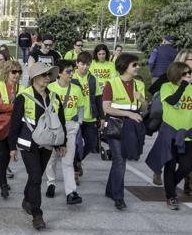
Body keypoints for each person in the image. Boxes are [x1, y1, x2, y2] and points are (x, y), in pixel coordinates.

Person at [8, 62, 67, 230]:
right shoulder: (23, 96)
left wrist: (62, 143)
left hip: (47, 144)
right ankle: (37, 214)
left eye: (49, 75)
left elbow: (60, 121)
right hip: (29, 144)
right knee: (35, 177)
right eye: (44, 75)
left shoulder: (55, 97)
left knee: (36, 177)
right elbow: (14, 125)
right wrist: (12, 148)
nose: (48, 78)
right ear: (35, 78)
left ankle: (27, 200)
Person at [102, 53, 147, 210]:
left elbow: (145, 107)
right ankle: (118, 197)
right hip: (116, 126)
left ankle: (110, 190)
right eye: (134, 65)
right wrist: (128, 114)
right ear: (124, 67)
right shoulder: (111, 84)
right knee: (120, 160)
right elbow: (106, 107)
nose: (137, 67)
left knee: (119, 160)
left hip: (132, 128)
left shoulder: (139, 84)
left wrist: (141, 99)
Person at [145, 62, 192, 210]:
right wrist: (183, 86)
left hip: (187, 134)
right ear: (177, 74)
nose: (189, 75)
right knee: (169, 165)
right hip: (170, 133)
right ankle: (170, 195)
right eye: (185, 73)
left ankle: (170, 185)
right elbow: (172, 101)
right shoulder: (166, 87)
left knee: (186, 167)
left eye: (190, 72)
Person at [44, 60, 84, 204]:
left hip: (70, 127)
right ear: (59, 73)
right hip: (53, 127)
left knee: (68, 161)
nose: (71, 74)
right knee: (51, 158)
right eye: (68, 71)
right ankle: (51, 183)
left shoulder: (76, 89)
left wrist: (78, 123)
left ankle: (71, 192)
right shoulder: (50, 88)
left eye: (72, 71)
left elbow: (80, 107)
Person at [0, 60, 23, 198]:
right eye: (13, 72)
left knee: (7, 156)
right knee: (1, 154)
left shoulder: (21, 88)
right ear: (7, 72)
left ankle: (0, 178)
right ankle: (3, 184)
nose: (16, 75)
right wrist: (15, 107)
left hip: (13, 127)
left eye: (19, 72)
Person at [72, 51, 103, 182]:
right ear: (77, 64)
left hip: (90, 117)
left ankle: (78, 161)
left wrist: (101, 117)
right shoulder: (71, 78)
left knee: (91, 144)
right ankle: (75, 170)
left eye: (87, 64)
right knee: (76, 145)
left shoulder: (92, 79)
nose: (85, 67)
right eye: (82, 64)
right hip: (75, 118)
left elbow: (98, 98)